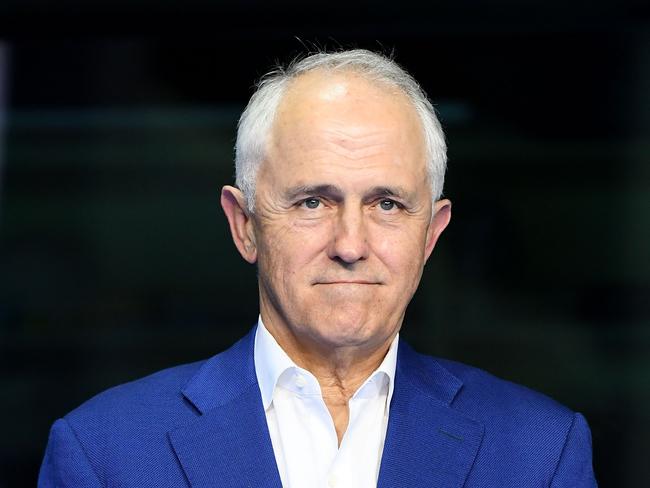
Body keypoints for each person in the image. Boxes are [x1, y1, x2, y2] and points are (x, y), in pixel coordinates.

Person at [38, 49, 597, 487]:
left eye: (387, 204)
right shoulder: (105, 452)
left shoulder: (539, 450)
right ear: (245, 224)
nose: (350, 244)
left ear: (431, 233)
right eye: (312, 202)